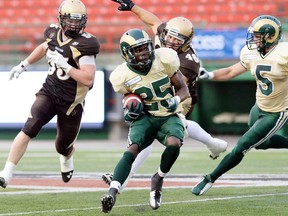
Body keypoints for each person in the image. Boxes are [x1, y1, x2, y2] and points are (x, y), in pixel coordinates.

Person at [102, 0, 228, 192]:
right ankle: (213, 144)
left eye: (179, 40)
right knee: (147, 129)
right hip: (154, 87)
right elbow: (154, 22)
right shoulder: (163, 35)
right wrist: (133, 7)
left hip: (179, 94)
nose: (172, 41)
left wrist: (136, 93)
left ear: (186, 43)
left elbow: (167, 87)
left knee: (158, 126)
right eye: (170, 35)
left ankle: (126, 176)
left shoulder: (188, 61)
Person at [0, 0, 100, 188]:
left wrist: (66, 65)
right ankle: (6, 172)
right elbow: (45, 47)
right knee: (29, 127)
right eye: (70, 21)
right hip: (49, 92)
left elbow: (88, 79)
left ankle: (66, 160)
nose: (73, 25)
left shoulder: (87, 44)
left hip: (71, 102)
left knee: (62, 146)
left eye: (77, 21)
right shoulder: (53, 32)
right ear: (61, 19)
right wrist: (24, 64)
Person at [192, 15, 288, 196]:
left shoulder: (284, 54)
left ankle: (209, 179)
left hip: (277, 112)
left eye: (258, 35)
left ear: (270, 36)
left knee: (242, 145)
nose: (254, 39)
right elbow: (229, 71)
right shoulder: (250, 52)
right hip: (258, 106)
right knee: (261, 144)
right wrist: (210, 75)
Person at [100, 28, 189, 213]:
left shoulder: (165, 59)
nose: (143, 53)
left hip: (168, 114)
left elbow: (183, 89)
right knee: (132, 149)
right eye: (137, 50)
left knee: (174, 143)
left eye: (145, 48)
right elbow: (129, 100)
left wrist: (176, 100)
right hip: (146, 117)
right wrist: (130, 110)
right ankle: (112, 193)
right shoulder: (121, 76)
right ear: (127, 54)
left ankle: (158, 178)